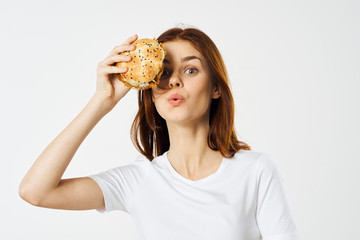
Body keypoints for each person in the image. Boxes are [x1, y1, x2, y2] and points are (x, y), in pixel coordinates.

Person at [19, 26, 300, 240]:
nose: (174, 80)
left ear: (216, 88)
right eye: (163, 73)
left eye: (190, 70)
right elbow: (36, 191)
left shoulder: (256, 171)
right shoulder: (139, 180)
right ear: (151, 92)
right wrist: (102, 101)